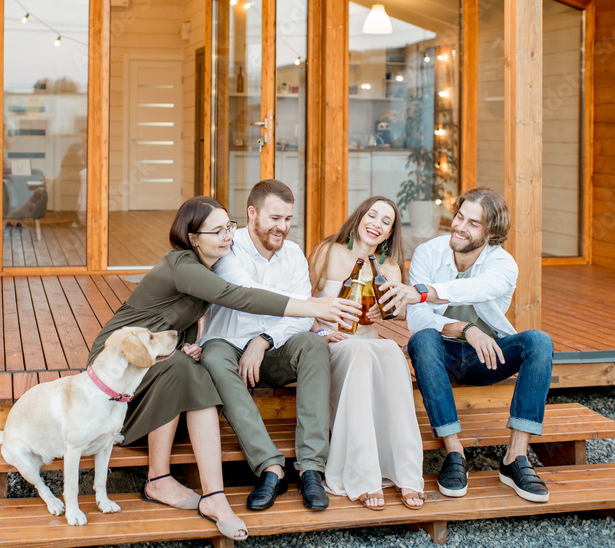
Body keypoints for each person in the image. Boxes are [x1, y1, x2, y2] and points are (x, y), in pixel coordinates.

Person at [86, 196, 359, 541]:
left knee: (194, 369)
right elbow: (241, 296)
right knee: (187, 369)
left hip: (153, 356)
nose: (227, 236)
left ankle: (215, 497)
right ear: (193, 236)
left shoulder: (207, 265)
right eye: (216, 231)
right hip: (118, 361)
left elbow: (174, 317)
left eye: (227, 227)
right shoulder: (183, 265)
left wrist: (186, 342)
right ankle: (159, 480)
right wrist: (314, 305)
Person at [380, 187, 555, 503]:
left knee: (539, 341)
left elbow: (476, 288)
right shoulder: (428, 253)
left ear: (491, 233)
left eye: (473, 223)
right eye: (459, 216)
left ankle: (515, 457)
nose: (460, 226)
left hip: (486, 357)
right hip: (439, 354)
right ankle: (454, 451)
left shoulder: (503, 265)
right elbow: (418, 319)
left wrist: (425, 292)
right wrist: (464, 328)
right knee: (422, 338)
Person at [199, 180, 331, 513]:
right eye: (275, 218)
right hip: (229, 348)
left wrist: (265, 340)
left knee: (314, 345)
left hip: (274, 351)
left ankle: (312, 467)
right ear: (252, 213)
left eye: (288, 219)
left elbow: (303, 318)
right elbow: (248, 294)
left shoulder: (294, 253)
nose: (282, 227)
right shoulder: (227, 247)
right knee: (213, 355)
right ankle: (270, 467)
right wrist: (307, 306)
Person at [307, 196, 426, 510]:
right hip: (328, 340)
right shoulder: (327, 251)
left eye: (385, 221)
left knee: (390, 350)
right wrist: (319, 332)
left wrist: (383, 312)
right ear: (359, 218)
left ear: (389, 233)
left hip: (367, 340)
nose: (376, 224)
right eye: (372, 216)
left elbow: (397, 313)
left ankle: (406, 473)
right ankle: (362, 475)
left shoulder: (388, 266)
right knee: (361, 351)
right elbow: (301, 302)